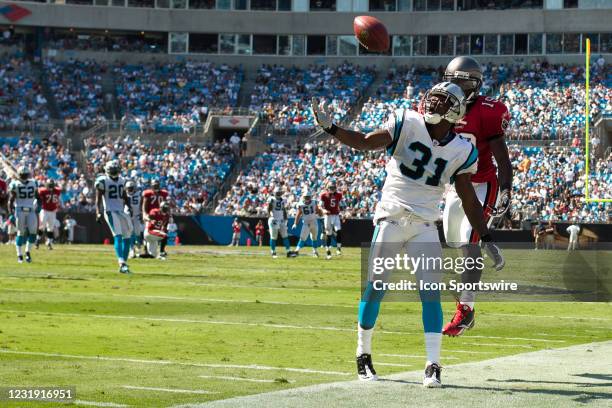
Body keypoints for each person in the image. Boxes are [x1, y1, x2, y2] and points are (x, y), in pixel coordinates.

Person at [311, 82, 504, 388]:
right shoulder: (407, 121)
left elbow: (468, 198)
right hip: (391, 218)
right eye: (433, 98)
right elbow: (364, 141)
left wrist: (487, 237)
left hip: (425, 224)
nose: (432, 103)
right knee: (375, 288)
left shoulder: (462, 149)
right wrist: (331, 128)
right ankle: (363, 353)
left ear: (454, 110)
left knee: (430, 294)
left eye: (441, 101)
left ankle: (433, 364)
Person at [435, 56, 513, 337]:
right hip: (456, 187)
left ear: (473, 86)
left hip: (481, 185)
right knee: (457, 243)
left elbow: (502, 159)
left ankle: (466, 311)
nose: (452, 87)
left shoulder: (488, 111)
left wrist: (506, 190)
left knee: (471, 242)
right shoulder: (439, 109)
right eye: (450, 81)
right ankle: (466, 293)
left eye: (459, 82)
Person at [95, 160, 133, 274]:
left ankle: (124, 265)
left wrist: (129, 206)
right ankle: (121, 262)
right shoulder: (102, 181)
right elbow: (98, 199)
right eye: (113, 170)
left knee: (127, 237)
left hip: (121, 211)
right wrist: (98, 211)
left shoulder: (122, 180)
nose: (114, 172)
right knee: (118, 235)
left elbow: (124, 195)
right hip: (110, 211)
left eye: (115, 170)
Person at [8, 166, 39, 263]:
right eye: (24, 174)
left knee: (33, 232)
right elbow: (11, 200)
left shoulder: (34, 183)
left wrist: (39, 206)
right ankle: (19, 255)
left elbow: (38, 197)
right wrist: (11, 213)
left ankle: (27, 252)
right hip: (19, 209)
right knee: (20, 232)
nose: (25, 176)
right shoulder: (15, 184)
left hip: (30, 209)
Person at [142, 179, 169, 258]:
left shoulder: (163, 193)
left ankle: (154, 251)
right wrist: (145, 214)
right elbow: (144, 204)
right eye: (154, 185)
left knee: (158, 233)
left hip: (160, 214)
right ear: (151, 186)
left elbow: (165, 204)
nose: (156, 187)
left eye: (157, 185)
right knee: (149, 232)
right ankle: (146, 250)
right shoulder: (148, 193)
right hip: (152, 215)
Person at [292, 190, 321, 257]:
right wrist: (295, 223)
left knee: (314, 237)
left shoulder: (314, 202)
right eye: (306, 197)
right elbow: (298, 214)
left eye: (308, 197)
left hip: (313, 221)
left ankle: (315, 251)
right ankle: (297, 250)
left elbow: (317, 210)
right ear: (303, 197)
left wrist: (319, 213)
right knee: (303, 238)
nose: (307, 199)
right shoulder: (301, 204)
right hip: (307, 223)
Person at [320, 182, 343, 259]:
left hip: (336, 215)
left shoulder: (339, 195)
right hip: (328, 216)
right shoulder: (323, 195)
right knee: (328, 233)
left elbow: (339, 205)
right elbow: (320, 206)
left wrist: (342, 213)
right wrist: (324, 210)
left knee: (338, 230)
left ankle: (338, 248)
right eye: (331, 188)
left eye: (333, 188)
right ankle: (328, 249)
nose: (332, 189)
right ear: (328, 188)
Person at [268, 187, 292, 258]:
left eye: (279, 192)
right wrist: (271, 216)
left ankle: (288, 252)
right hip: (274, 219)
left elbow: (283, 210)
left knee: (285, 236)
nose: (279, 194)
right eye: (277, 192)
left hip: (281, 220)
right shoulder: (272, 199)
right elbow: (269, 209)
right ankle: (273, 252)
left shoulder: (283, 200)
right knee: (273, 237)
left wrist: (286, 219)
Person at [37, 179, 62, 250]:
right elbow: (38, 192)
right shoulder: (43, 191)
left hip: (53, 211)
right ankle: (37, 240)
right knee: (42, 226)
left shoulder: (56, 190)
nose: (50, 187)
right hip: (44, 210)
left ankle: (49, 243)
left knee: (50, 228)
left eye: (51, 185)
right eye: (49, 185)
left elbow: (60, 188)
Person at [125, 180, 143, 258]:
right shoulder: (124, 194)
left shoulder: (139, 194)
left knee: (137, 233)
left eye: (131, 188)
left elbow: (142, 203)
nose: (129, 190)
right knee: (130, 232)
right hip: (127, 215)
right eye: (128, 188)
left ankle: (138, 246)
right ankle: (132, 249)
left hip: (136, 215)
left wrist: (142, 213)